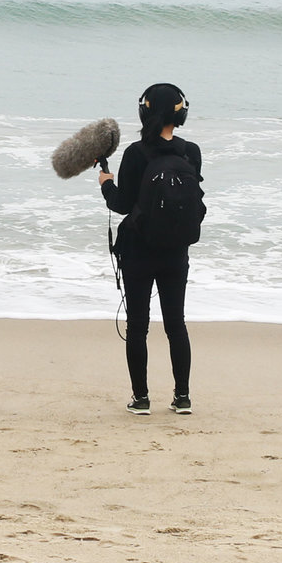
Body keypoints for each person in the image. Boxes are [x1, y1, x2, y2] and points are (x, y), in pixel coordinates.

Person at [97, 82, 204, 416]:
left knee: (138, 327)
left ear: (144, 110)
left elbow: (122, 204)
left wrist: (105, 183)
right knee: (176, 325)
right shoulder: (191, 152)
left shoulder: (135, 153)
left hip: (139, 251)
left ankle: (141, 399)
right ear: (181, 112)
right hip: (176, 251)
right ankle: (182, 398)